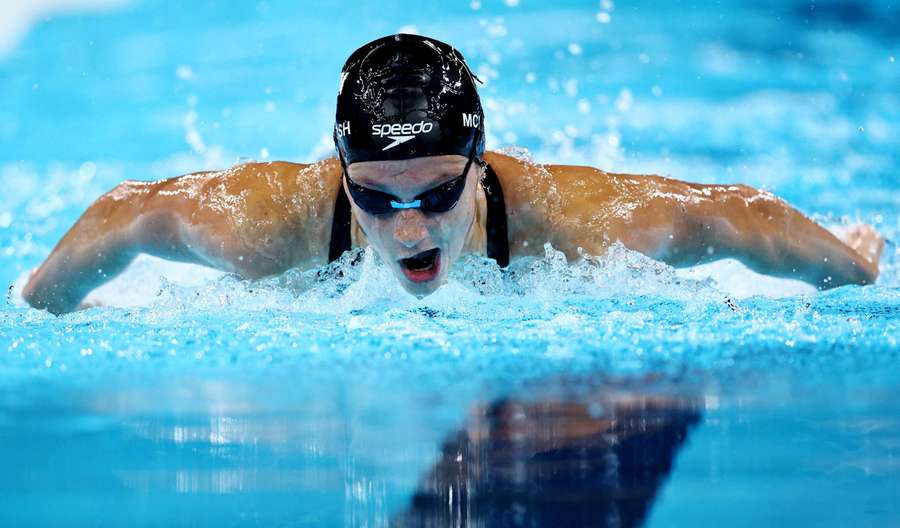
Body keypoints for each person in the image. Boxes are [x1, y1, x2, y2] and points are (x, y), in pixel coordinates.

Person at [22, 34, 884, 315]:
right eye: (374, 196)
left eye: (437, 195)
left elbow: (741, 214)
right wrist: (36, 307)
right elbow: (124, 213)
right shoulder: (264, 225)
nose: (407, 229)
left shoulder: (572, 224)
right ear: (339, 170)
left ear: (479, 167)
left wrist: (857, 269)